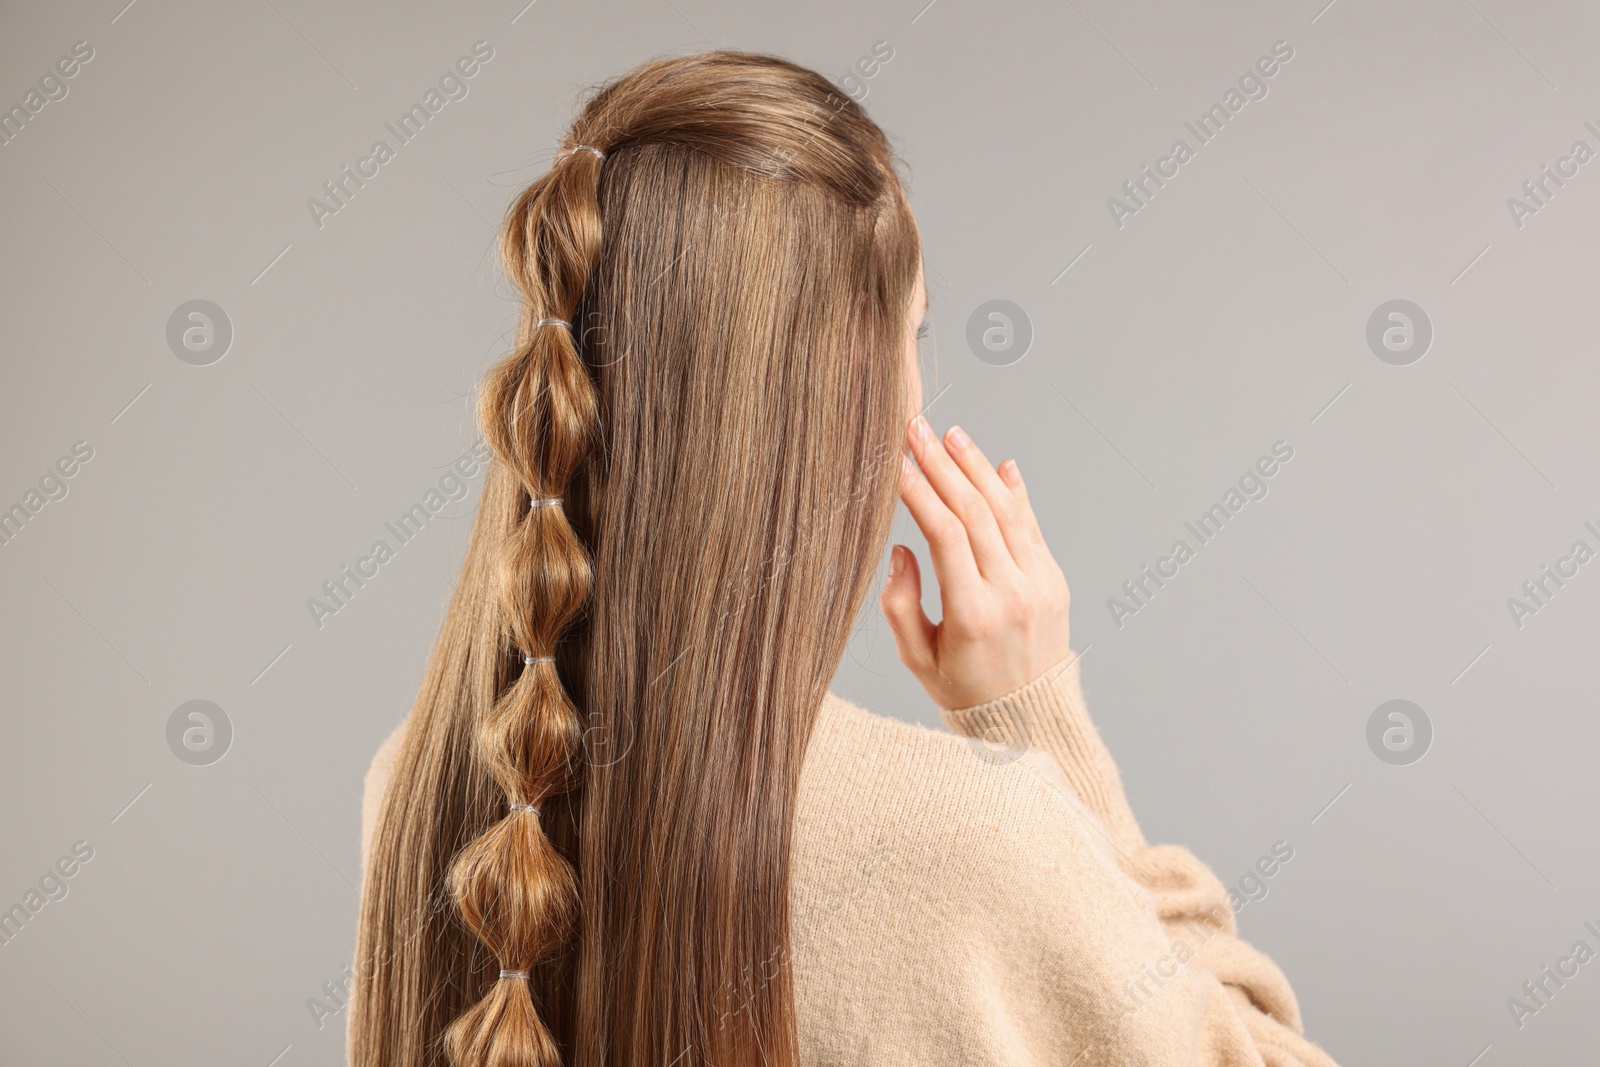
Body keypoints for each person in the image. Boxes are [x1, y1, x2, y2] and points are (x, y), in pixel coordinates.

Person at [349, 49, 1340, 1067]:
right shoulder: (974, 844)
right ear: (852, 395)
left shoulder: (427, 789)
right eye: (912, 336)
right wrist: (1036, 719)